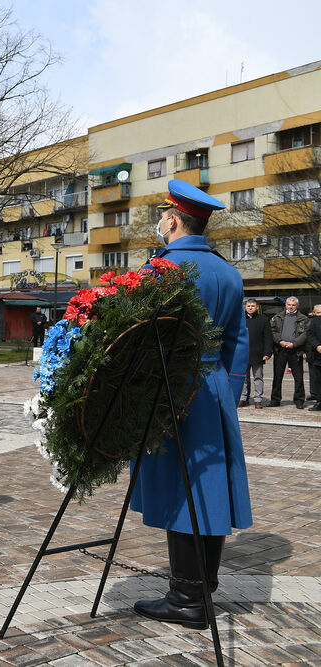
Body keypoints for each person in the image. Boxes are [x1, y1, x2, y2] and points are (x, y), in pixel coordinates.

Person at [131, 180, 251, 630]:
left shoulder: (160, 269)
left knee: (183, 487)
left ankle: (186, 599)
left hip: (171, 387)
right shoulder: (227, 271)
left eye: (163, 215)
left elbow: (137, 342)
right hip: (215, 385)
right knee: (211, 487)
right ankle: (203, 588)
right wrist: (227, 393)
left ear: (173, 220)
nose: (160, 221)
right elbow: (238, 344)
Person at [268, 296, 309, 408]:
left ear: (297, 306)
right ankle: (275, 400)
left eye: (293, 305)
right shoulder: (277, 317)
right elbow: (273, 331)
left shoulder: (304, 319)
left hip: (296, 351)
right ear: (285, 305)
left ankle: (299, 400)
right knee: (277, 376)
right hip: (280, 350)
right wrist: (280, 341)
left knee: (298, 377)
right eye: (289, 305)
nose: (291, 307)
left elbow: (305, 334)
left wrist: (294, 343)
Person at [239, 299, 271, 409]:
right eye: (249, 306)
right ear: (245, 307)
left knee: (258, 378)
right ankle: (243, 398)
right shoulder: (240, 319)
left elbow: (268, 338)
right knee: (243, 379)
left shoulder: (264, 319)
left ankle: (258, 400)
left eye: (253, 306)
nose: (251, 307)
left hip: (258, 353)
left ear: (257, 307)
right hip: (243, 354)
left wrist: (267, 352)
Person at [307, 303, 321, 411]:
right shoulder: (314, 322)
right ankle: (319, 401)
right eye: (318, 313)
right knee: (317, 379)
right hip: (317, 355)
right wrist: (317, 345)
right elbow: (310, 335)